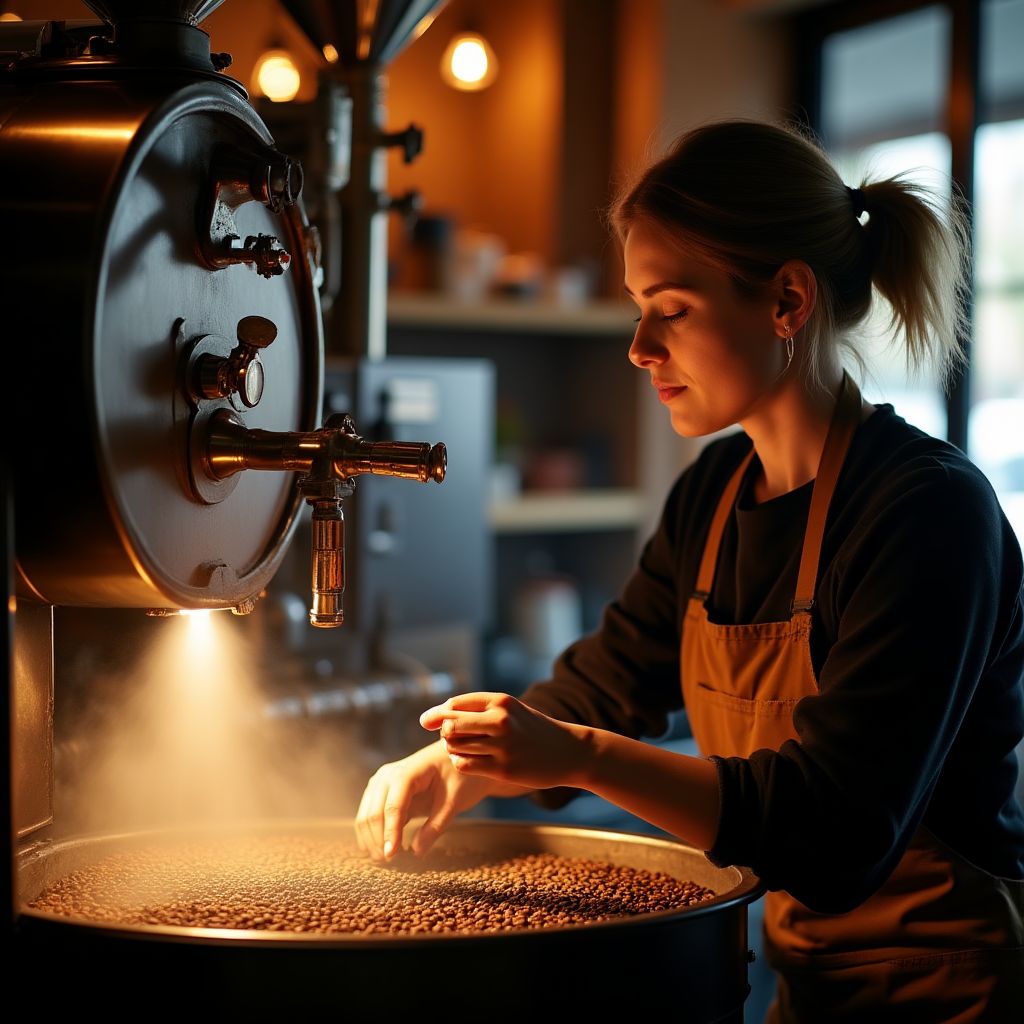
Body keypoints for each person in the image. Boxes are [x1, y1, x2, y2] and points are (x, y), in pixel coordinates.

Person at [354, 119, 1024, 1021]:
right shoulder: (715, 490)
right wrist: (462, 760)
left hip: (953, 994)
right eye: (639, 307)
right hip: (809, 988)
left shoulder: (926, 513)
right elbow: (609, 679)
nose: (639, 347)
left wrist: (576, 755)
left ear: (788, 300)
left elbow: (837, 836)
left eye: (670, 309)